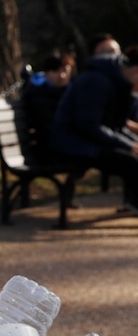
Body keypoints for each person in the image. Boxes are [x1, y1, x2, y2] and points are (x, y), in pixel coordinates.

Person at [50, 52, 138, 214]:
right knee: (131, 160)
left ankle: (133, 203)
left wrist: (132, 143)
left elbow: (117, 124)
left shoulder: (119, 81)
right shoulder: (97, 82)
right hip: (72, 143)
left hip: (88, 140)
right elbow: (88, 126)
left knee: (132, 155)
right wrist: (130, 145)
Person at [22, 53, 74, 164]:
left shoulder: (71, 91)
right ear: (46, 72)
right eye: (56, 71)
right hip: (48, 148)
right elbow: (48, 125)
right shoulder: (37, 93)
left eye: (65, 71)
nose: (62, 76)